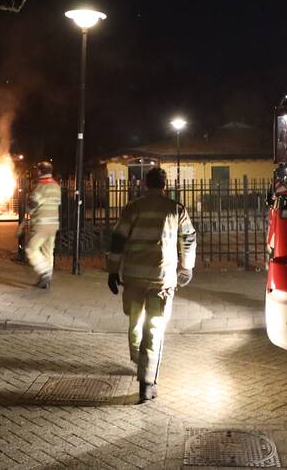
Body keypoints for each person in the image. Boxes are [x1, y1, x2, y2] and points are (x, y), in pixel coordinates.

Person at [106, 167, 197, 403]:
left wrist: (113, 270)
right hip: (162, 280)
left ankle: (137, 358)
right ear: (164, 185)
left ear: (145, 184)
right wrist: (186, 267)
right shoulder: (176, 209)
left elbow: (118, 239)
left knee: (135, 320)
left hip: (134, 278)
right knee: (154, 328)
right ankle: (146, 382)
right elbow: (188, 237)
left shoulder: (132, 208)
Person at [24, 161, 61, 289]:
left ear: (39, 171)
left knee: (31, 249)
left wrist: (27, 209)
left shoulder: (41, 186)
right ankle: (46, 280)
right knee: (48, 252)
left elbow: (32, 205)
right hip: (53, 225)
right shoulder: (56, 186)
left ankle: (44, 272)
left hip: (41, 225)